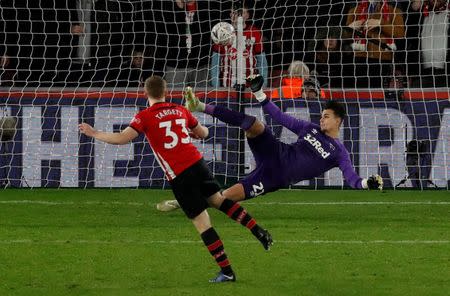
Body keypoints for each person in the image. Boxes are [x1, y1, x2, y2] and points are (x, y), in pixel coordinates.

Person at [78, 75, 272, 283]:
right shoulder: (180, 110)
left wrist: (94, 133)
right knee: (219, 200)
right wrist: (192, 133)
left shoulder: (144, 116)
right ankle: (258, 231)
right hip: (198, 164)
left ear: (145, 93)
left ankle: (227, 272)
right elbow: (204, 133)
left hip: (180, 174)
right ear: (166, 92)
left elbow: (122, 139)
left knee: (202, 222)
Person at [157, 74, 383, 210]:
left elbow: (351, 178)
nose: (321, 119)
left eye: (327, 116)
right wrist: (259, 93)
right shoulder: (310, 128)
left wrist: (366, 184)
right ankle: (199, 107)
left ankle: (187, 202)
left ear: (338, 121)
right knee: (254, 124)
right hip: (275, 152)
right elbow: (280, 117)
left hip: (275, 177)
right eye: (322, 115)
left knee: (225, 198)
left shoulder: (339, 152)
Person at [345, 0, 405, 88]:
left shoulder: (395, 10)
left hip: (383, 59)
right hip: (360, 58)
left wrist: (380, 23)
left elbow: (400, 33)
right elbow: (345, 37)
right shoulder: (354, 10)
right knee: (360, 93)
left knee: (379, 94)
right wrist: (351, 27)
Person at [210, 4, 268, 88]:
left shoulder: (255, 32)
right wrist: (216, 87)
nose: (237, 15)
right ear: (230, 14)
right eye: (234, 12)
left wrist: (263, 86)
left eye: (241, 12)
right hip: (227, 86)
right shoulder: (222, 32)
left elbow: (262, 62)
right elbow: (215, 65)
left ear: (247, 15)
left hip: (251, 85)